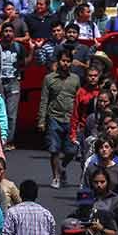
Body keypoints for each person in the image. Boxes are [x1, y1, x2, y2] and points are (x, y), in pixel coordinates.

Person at [37, 50, 80, 189]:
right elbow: (44, 100)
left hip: (70, 119)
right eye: (63, 61)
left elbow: (78, 100)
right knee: (54, 149)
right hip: (54, 117)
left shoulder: (75, 79)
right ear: (58, 61)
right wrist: (41, 120)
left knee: (71, 151)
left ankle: (62, 167)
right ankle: (56, 177)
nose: (65, 63)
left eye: (68, 61)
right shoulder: (49, 78)